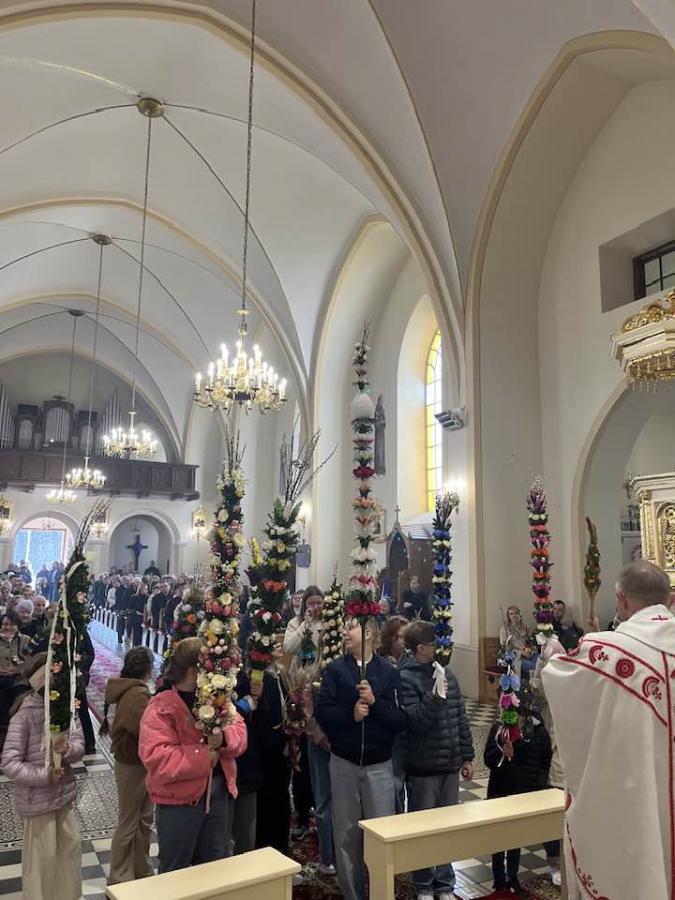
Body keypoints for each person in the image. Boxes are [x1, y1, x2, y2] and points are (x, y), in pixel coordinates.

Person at [542, 561, 675, 899]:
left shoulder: (608, 652)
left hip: (639, 796)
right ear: (669, 599)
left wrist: (556, 653)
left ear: (622, 599)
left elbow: (559, 678)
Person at [316, 616, 407, 900]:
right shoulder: (335, 670)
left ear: (367, 632)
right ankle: (352, 895)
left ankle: (381, 893)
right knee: (346, 836)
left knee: (381, 836)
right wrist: (351, 715)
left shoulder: (388, 672)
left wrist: (375, 703)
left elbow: (399, 720)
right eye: (344, 627)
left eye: (350, 627)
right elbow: (323, 713)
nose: (344, 631)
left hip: (379, 766)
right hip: (344, 763)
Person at [139, 637, 247, 873]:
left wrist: (225, 739)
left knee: (213, 870)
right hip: (178, 803)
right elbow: (158, 758)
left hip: (217, 796)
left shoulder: (216, 700)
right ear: (193, 671)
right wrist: (205, 756)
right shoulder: (161, 707)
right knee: (175, 872)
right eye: (209, 667)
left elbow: (240, 733)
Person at [399, 621, 474, 900]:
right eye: (435, 644)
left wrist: (467, 756)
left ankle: (445, 883)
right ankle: (422, 884)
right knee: (423, 829)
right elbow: (415, 721)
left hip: (450, 764)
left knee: (446, 829)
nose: (440, 648)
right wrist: (434, 698)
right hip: (424, 766)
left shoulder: (447, 674)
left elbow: (460, 717)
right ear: (421, 648)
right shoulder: (405, 677)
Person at [2, 653, 85, 900]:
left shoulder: (65, 709)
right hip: (37, 803)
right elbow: (10, 763)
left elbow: (79, 744)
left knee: (69, 853)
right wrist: (44, 776)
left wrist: (67, 749)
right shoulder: (25, 713)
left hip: (63, 797)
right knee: (42, 863)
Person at [484, 694, 552, 894]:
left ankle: (512, 876)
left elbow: (542, 760)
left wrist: (537, 787)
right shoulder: (498, 730)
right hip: (499, 788)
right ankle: (498, 879)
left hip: (519, 790)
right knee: (498, 836)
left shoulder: (535, 732)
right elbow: (488, 758)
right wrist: (503, 754)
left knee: (515, 837)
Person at [100, 646, 155, 884]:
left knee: (144, 819)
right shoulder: (137, 695)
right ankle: (120, 876)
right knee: (129, 821)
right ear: (149, 670)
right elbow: (147, 730)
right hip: (133, 765)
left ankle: (140, 868)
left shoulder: (134, 690)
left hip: (137, 763)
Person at [283, 586, 323, 838]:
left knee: (317, 756)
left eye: (319, 603)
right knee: (300, 758)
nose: (316, 608)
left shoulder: (329, 625)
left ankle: (319, 809)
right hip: (299, 691)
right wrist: (304, 626)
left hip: (320, 693)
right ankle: (301, 812)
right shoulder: (295, 623)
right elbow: (289, 647)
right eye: (312, 603)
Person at [0, 611, 30, 751]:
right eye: (5, 624)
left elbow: (29, 662)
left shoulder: (25, 640)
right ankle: (3, 735)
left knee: (19, 696)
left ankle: (18, 736)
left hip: (18, 679)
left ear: (17, 625)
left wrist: (17, 669)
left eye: (12, 625)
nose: (8, 627)